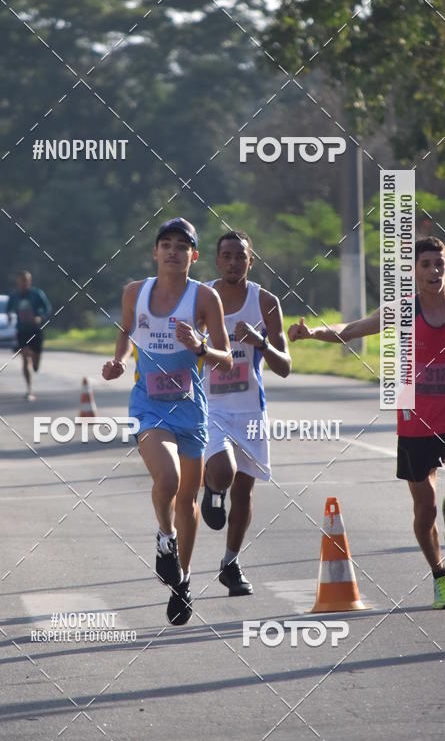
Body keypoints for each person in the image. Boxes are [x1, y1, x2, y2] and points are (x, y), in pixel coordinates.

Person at [288, 236, 445, 610]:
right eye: (426, 264)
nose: (433, 271)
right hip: (414, 423)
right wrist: (313, 332)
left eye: (439, 264)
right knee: (423, 509)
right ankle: (440, 576)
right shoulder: (401, 311)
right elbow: (352, 329)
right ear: (414, 271)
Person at [102, 217, 232, 625]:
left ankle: (183, 582)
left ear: (194, 256)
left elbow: (227, 359)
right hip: (149, 405)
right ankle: (165, 536)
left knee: (189, 501)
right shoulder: (134, 292)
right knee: (169, 479)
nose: (173, 251)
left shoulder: (205, 297)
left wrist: (201, 347)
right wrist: (118, 362)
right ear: (155, 252)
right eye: (166, 244)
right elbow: (126, 332)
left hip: (191, 408)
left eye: (182, 246)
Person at [201, 231, 291, 595]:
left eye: (241, 256)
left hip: (251, 410)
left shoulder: (265, 302)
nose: (234, 262)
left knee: (244, 491)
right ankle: (212, 487)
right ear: (217, 261)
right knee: (223, 471)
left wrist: (261, 341)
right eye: (227, 256)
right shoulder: (201, 297)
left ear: (250, 261)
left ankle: (231, 563)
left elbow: (284, 367)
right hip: (210, 406)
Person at [6, 270, 52, 401]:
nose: (24, 283)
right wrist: (9, 316)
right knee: (25, 359)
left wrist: (40, 317)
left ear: (29, 281)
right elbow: (8, 309)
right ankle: (29, 389)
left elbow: (47, 308)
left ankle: (35, 363)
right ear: (18, 282)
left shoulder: (37, 294)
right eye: (21, 281)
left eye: (26, 281)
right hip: (22, 331)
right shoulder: (14, 296)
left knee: (35, 365)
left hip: (36, 330)